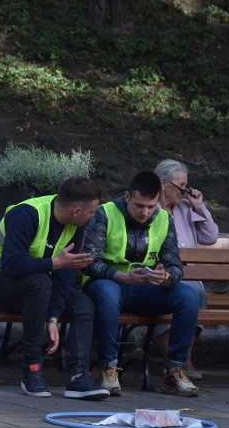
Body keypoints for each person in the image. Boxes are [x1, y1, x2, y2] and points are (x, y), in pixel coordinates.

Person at [0, 176, 109, 400]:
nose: (94, 216)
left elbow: (65, 275)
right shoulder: (26, 214)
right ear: (77, 210)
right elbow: (11, 265)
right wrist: (54, 263)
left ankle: (78, 375)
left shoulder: (77, 224)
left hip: (39, 288)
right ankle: (32, 368)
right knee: (40, 282)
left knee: (82, 302)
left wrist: (53, 317)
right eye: (93, 211)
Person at [82, 170, 200, 397]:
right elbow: (89, 262)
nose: (145, 212)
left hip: (145, 288)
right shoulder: (104, 213)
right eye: (139, 206)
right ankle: (108, 367)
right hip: (107, 284)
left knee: (188, 296)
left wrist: (165, 277)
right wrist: (121, 276)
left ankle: (175, 369)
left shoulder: (165, 219)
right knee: (107, 293)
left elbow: (175, 266)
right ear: (127, 196)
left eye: (151, 206)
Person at [153, 158, 219, 380]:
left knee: (194, 292)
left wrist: (199, 206)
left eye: (186, 185)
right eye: (181, 185)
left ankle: (183, 358)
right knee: (188, 292)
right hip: (160, 274)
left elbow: (210, 237)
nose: (185, 190)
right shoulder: (148, 208)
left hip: (189, 276)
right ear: (163, 183)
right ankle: (176, 360)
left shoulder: (185, 208)